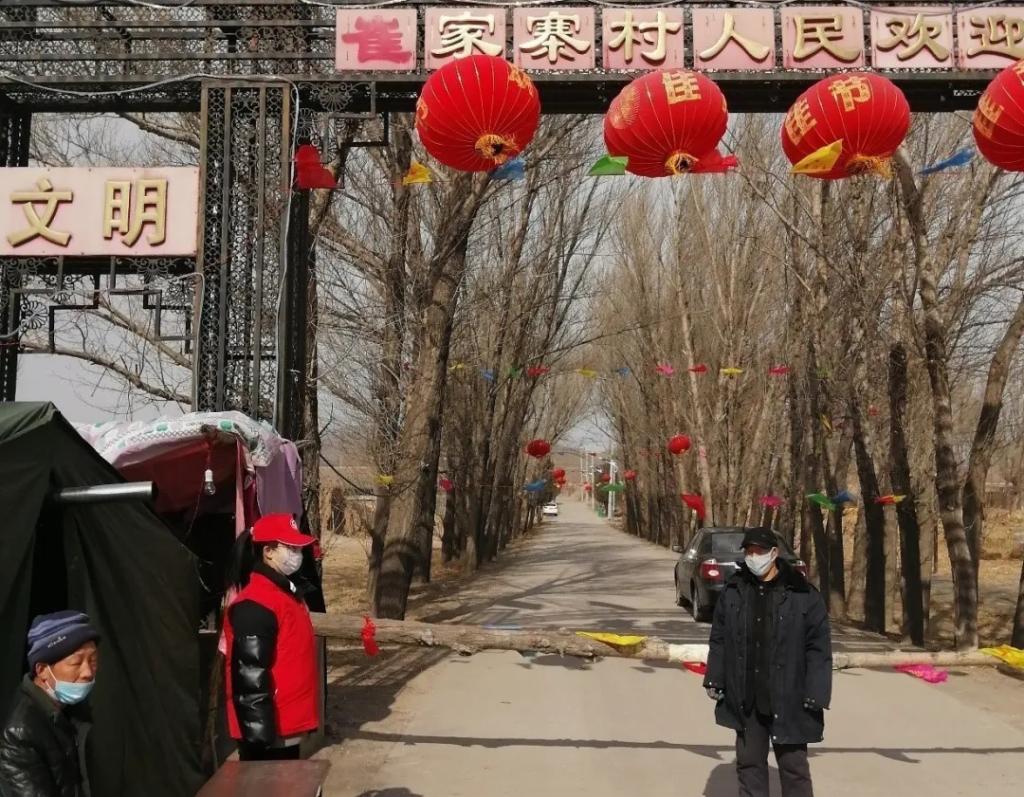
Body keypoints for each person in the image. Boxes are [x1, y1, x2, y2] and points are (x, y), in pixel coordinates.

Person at [703, 527, 832, 797]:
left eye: (758, 551)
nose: (753, 557)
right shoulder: (735, 590)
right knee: (749, 764)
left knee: (794, 768)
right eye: (749, 552)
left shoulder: (802, 594)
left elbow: (818, 648)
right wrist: (715, 678)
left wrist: (816, 693)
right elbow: (720, 638)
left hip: (789, 697)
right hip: (747, 696)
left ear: (774, 553)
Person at [222, 513, 319, 761]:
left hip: (286, 725)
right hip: (268, 734)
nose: (298, 554)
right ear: (268, 552)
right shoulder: (256, 602)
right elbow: (249, 675)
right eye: (291, 548)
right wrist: (259, 738)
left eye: (298, 548)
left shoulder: (284, 594)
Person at [0, 610, 100, 797]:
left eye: (93, 660)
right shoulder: (20, 734)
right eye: (76, 662)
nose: (88, 672)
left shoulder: (72, 709)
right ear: (42, 670)